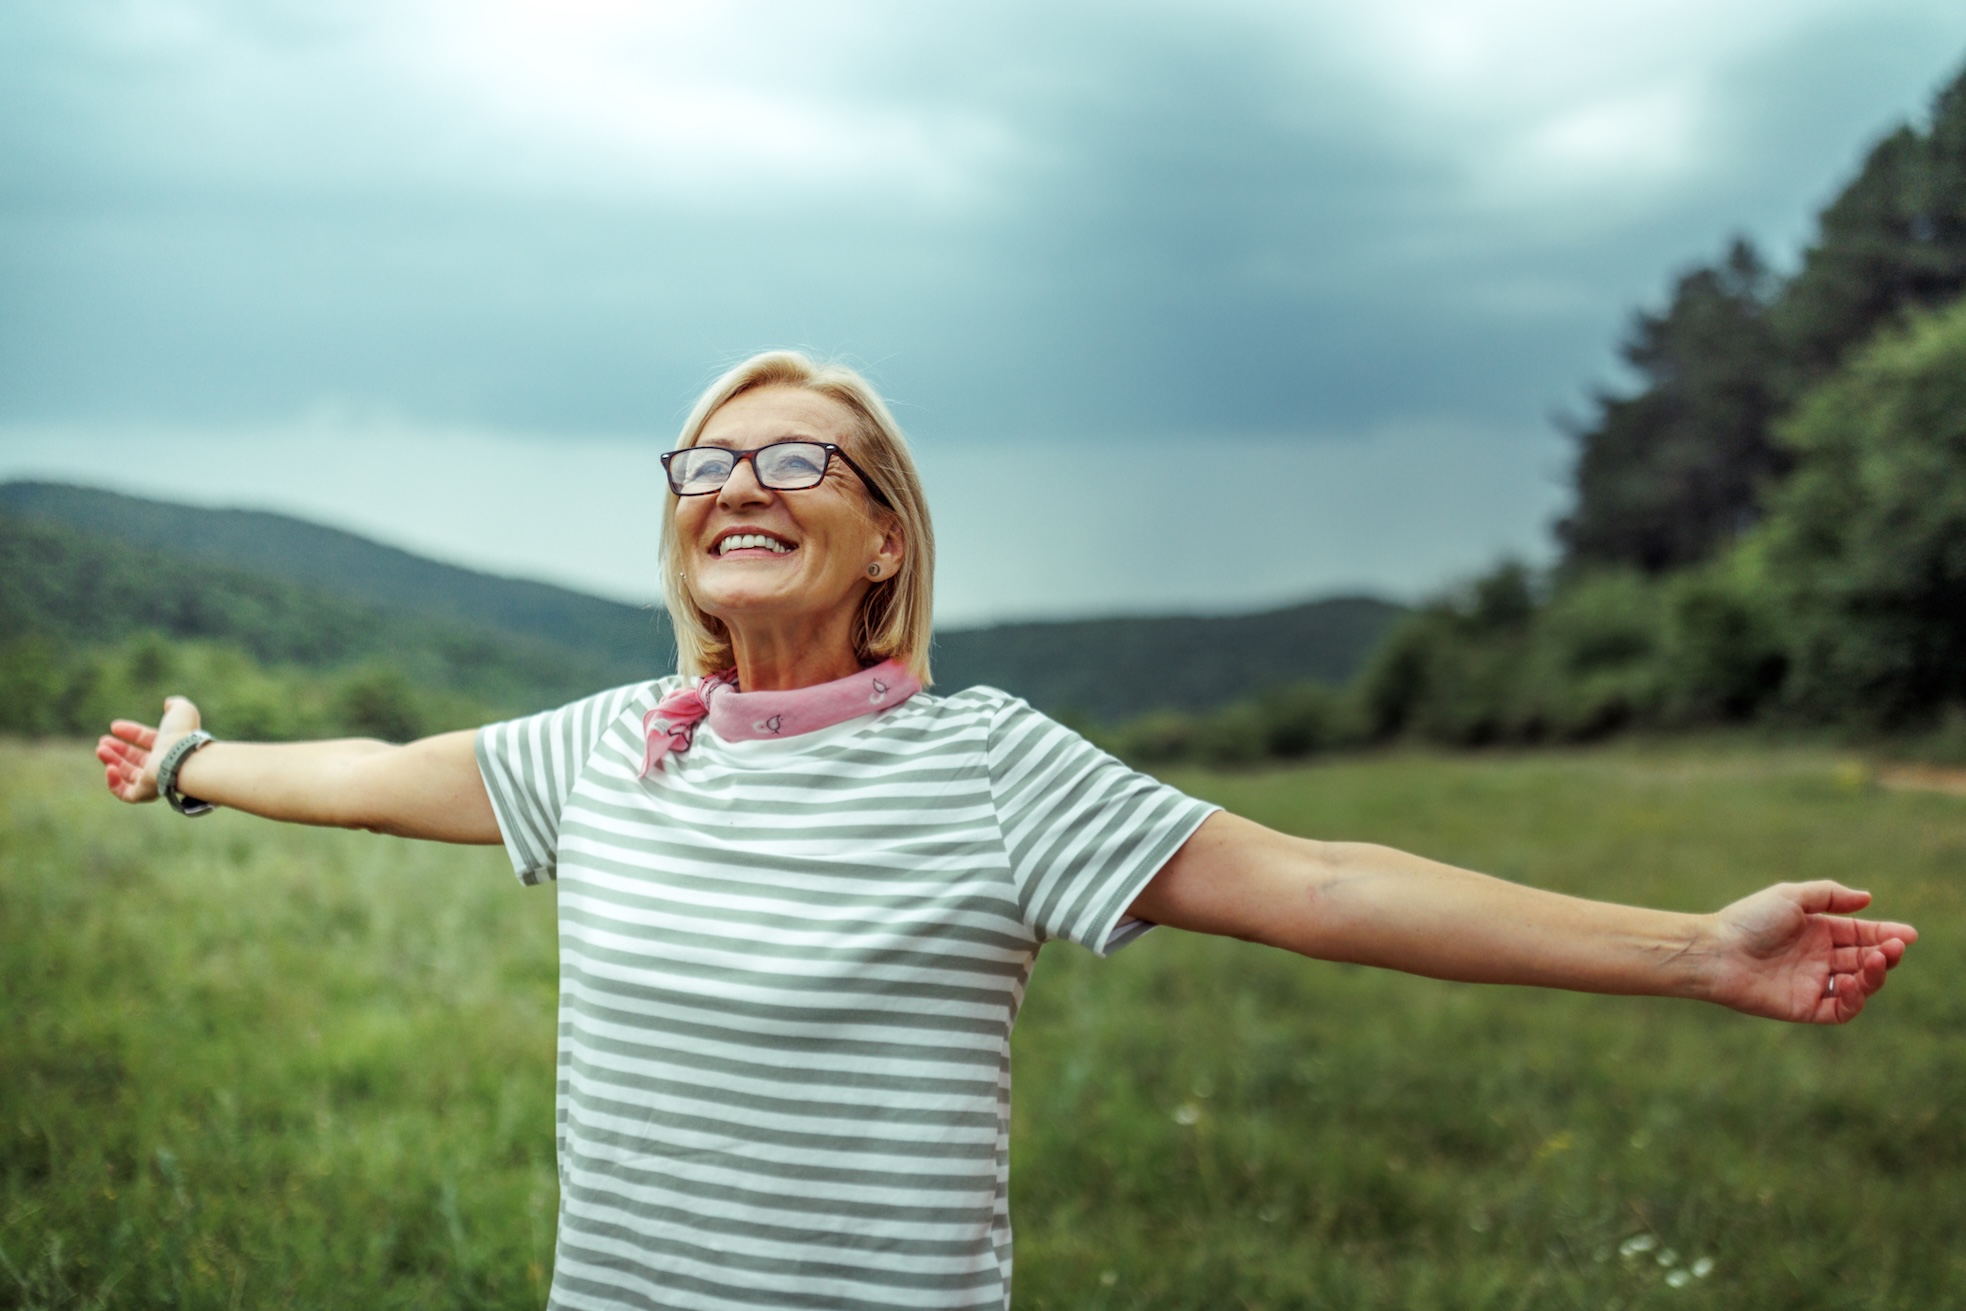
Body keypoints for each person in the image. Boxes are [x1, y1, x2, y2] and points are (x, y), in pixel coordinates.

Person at [96, 350, 1917, 1311]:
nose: (738, 481)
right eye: (705, 464)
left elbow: (1326, 883)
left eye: (796, 457)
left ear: (885, 535)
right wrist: (192, 764)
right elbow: (364, 765)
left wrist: (1694, 950)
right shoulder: (605, 751)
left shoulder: (991, 772)